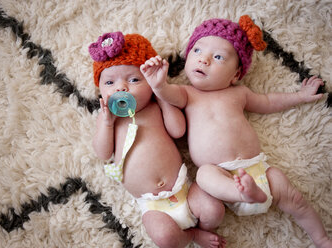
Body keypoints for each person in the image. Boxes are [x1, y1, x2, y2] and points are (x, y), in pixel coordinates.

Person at [141, 15, 331, 248]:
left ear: (235, 75)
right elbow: (168, 94)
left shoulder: (239, 94)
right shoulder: (187, 93)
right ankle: (244, 194)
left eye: (218, 57)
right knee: (203, 175)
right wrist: (158, 85)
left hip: (257, 169)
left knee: (296, 200)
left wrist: (300, 96)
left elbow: (269, 101)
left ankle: (321, 239)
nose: (204, 60)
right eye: (197, 50)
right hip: (221, 177)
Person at [89, 31, 226, 248]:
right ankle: (190, 236)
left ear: (149, 82)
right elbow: (103, 153)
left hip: (184, 189)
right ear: (100, 89)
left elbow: (178, 130)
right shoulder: (110, 119)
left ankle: (202, 229)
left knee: (214, 210)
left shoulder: (155, 106)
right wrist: (106, 124)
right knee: (165, 239)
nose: (121, 88)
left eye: (134, 80)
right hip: (152, 205)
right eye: (109, 82)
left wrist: (161, 93)